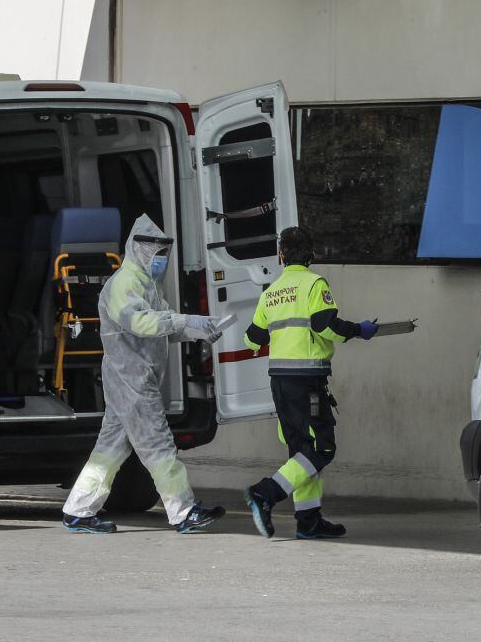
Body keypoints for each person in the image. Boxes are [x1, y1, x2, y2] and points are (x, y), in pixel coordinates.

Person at [62, 214, 226, 534]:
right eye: (157, 252)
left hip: (132, 377)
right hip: (132, 378)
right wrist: (185, 320)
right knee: (158, 444)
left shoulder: (145, 284)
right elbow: (141, 323)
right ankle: (183, 510)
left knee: (110, 449)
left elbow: (162, 327)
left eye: (164, 252)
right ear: (139, 250)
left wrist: (198, 330)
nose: (161, 258)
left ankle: (78, 510)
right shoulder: (124, 284)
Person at [242, 227, 378, 540]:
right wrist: (360, 330)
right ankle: (265, 493)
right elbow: (325, 325)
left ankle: (308, 520)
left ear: (281, 255)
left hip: (279, 381)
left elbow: (253, 339)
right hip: (307, 380)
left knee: (301, 451)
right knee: (322, 447)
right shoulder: (314, 283)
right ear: (311, 254)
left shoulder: (271, 291)